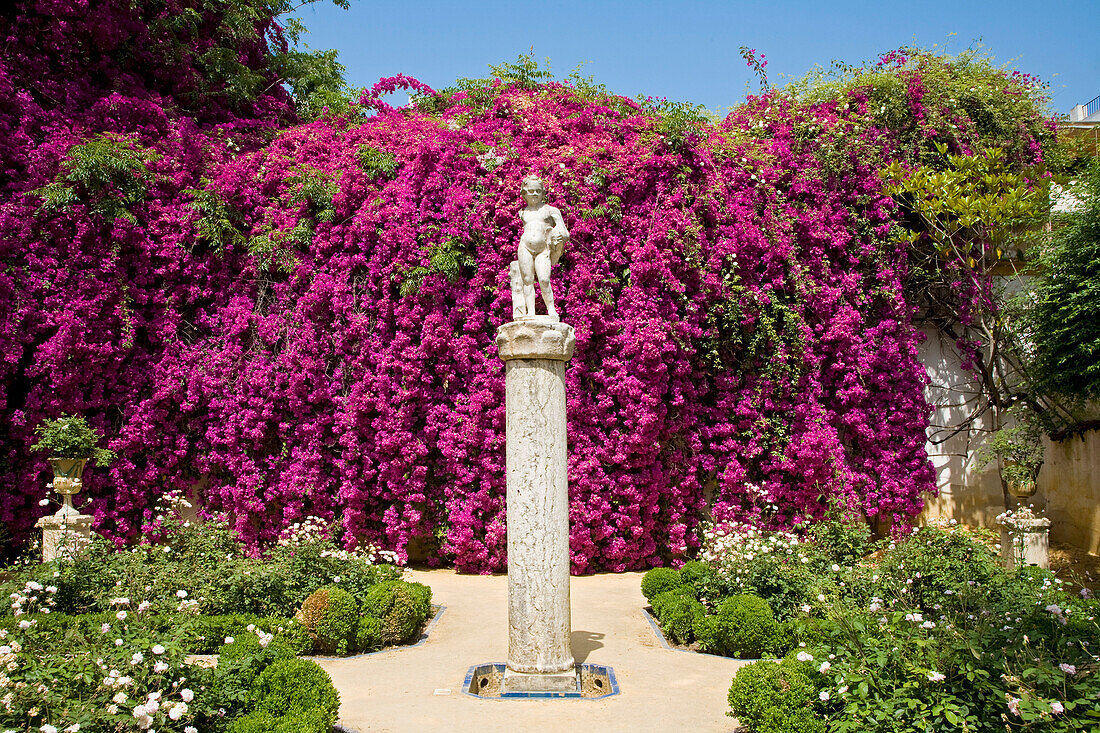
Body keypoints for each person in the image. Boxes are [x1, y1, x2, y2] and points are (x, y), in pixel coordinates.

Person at [517, 176, 568, 320]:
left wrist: (559, 236)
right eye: (531, 191)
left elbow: (564, 231)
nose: (534, 194)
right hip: (525, 247)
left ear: (542, 193)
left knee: (544, 279)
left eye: (537, 191)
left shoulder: (550, 210)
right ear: (524, 193)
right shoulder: (523, 212)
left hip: (543, 248)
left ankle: (551, 309)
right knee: (527, 279)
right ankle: (530, 312)